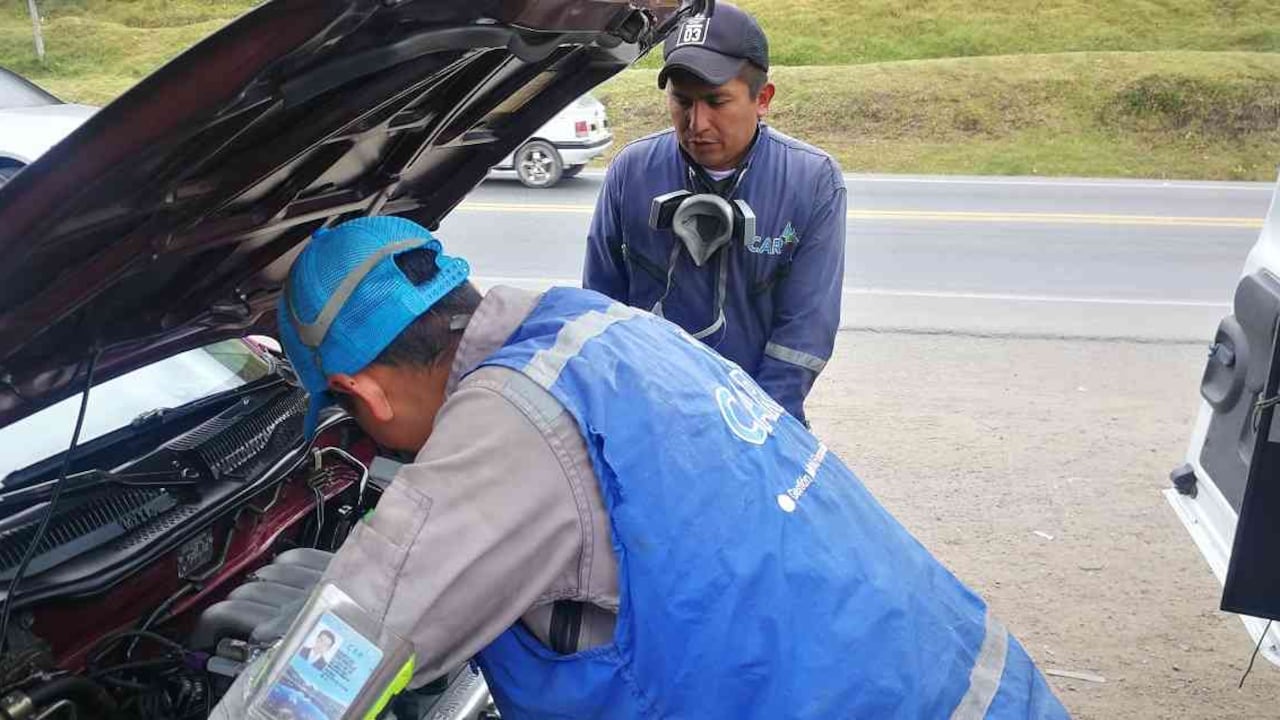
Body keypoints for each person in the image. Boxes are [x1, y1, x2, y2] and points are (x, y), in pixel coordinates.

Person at [215, 216, 1065, 718]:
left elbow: (320, 678)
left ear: (358, 389)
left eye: (351, 420)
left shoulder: (507, 426)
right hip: (962, 675)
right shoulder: (597, 328)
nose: (371, 440)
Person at [584, 3, 844, 427]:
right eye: (682, 101)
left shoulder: (813, 180)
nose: (697, 123)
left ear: (763, 99)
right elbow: (601, 304)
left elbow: (806, 328)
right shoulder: (630, 171)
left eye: (716, 101)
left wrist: (754, 427)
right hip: (648, 415)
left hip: (760, 420)